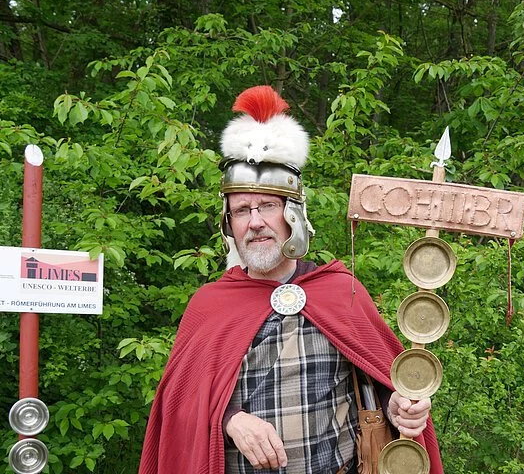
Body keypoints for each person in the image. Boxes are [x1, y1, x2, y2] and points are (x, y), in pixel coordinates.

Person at [139, 86, 444, 474]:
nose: (255, 222)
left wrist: (399, 406)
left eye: (267, 205)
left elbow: (380, 381)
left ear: (293, 216)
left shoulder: (340, 290)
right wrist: (230, 419)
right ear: (229, 224)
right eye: (241, 210)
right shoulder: (210, 305)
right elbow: (179, 404)